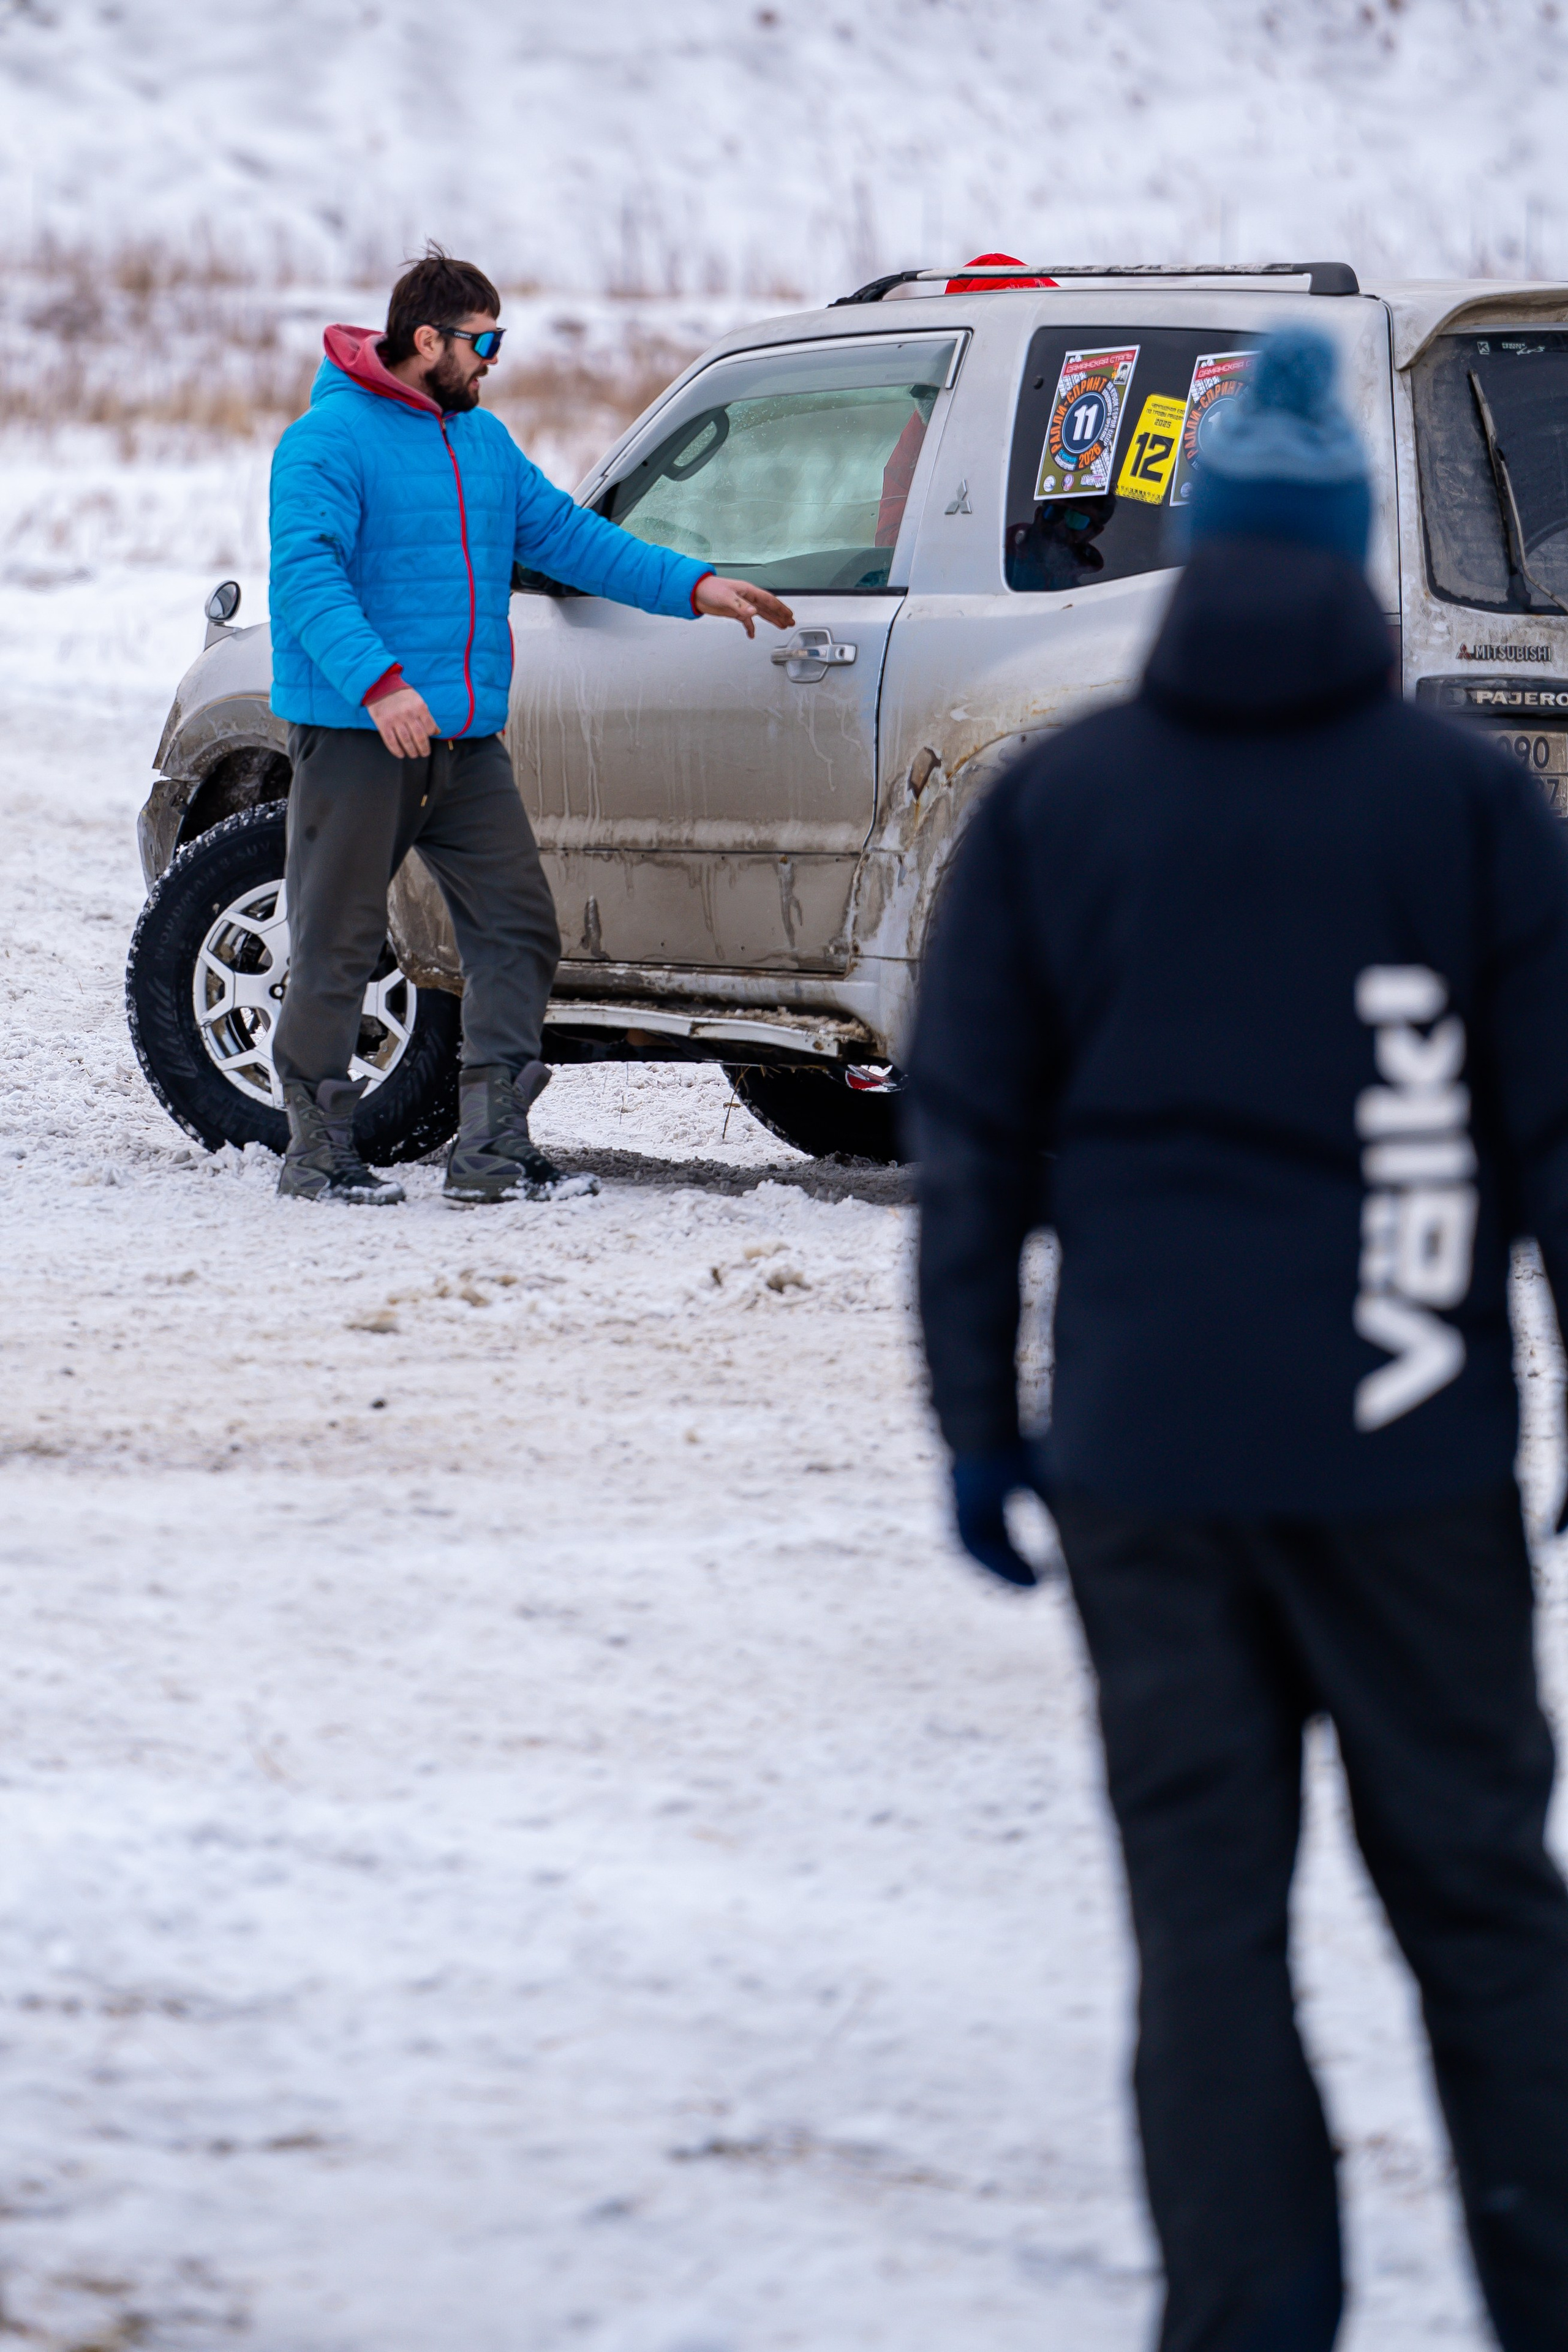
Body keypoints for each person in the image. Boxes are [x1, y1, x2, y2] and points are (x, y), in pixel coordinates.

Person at [908, 326, 1568, 2351]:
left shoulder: (1059, 806)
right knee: (1484, 1918)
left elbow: (971, 1144)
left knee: (1208, 1936)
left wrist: (979, 1423)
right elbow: (1554, 1136)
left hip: (1146, 1463)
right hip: (1409, 1451)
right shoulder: (1463, 804)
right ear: (1358, 550)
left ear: (1193, 553)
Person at [267, 248, 794, 1205]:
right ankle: (316, 1150)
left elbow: (568, 538)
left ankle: (492, 1149)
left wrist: (696, 586)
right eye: (484, 341)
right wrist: (380, 686)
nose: (494, 361)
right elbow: (306, 575)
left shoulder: (483, 445)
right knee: (339, 943)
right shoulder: (326, 441)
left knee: (518, 930)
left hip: (463, 746)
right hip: (360, 737)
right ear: (427, 340)